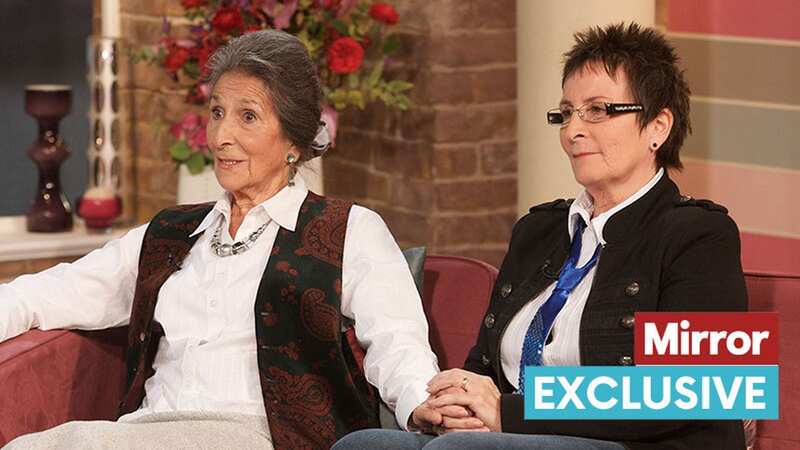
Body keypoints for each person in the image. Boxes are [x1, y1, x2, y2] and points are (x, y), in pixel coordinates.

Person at [0, 30, 440, 449]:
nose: (221, 136)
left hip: (264, 436)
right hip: (147, 429)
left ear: (294, 137)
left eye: (247, 116)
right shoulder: (168, 234)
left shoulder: (349, 229)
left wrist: (424, 405)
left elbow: (398, 341)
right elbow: (47, 293)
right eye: (216, 112)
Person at [333, 22, 748, 450]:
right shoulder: (538, 230)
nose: (572, 131)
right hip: (520, 437)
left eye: (598, 110)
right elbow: (488, 370)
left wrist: (511, 413)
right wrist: (461, 403)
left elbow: (695, 392)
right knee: (366, 444)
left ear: (658, 126)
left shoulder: (701, 235)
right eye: (566, 113)